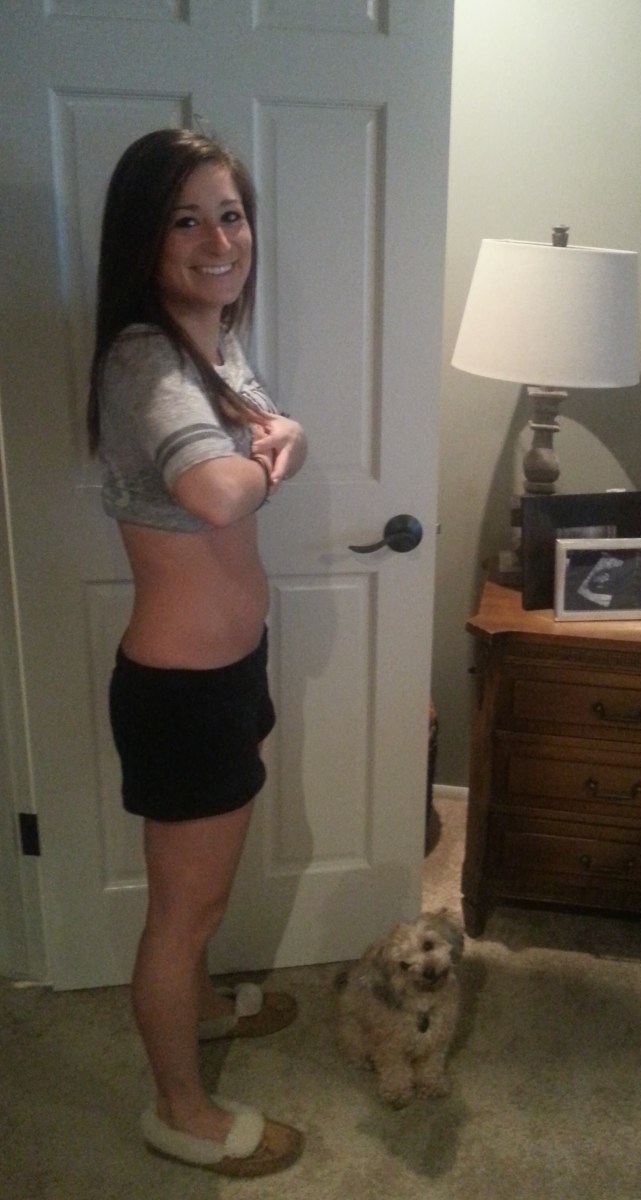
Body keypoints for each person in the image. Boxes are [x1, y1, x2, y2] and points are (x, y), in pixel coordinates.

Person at [87, 128, 307, 1177]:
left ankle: (207, 1007)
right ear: (144, 238)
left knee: (202, 898)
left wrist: (282, 434)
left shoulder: (211, 339)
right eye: (187, 220)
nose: (221, 240)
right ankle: (179, 1110)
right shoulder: (145, 354)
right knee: (184, 912)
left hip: (230, 669)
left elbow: (262, 427)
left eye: (230, 214)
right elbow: (222, 489)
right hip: (183, 690)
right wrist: (290, 448)